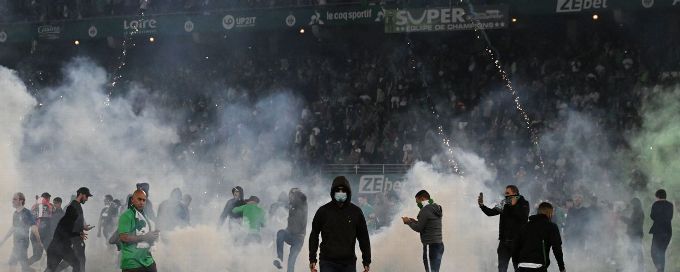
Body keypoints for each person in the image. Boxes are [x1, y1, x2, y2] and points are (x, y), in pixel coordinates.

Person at [309, 176, 371, 272]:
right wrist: (312, 258)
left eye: (343, 191)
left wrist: (366, 261)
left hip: (349, 262)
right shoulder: (323, 211)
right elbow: (314, 235)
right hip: (327, 261)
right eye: (338, 191)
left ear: (348, 193)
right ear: (333, 193)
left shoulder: (356, 212)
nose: (340, 193)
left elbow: (364, 238)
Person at [478, 185, 530, 272]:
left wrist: (513, 206)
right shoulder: (504, 203)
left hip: (518, 243)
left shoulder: (524, 203)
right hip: (504, 243)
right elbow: (491, 213)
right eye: (505, 193)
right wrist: (482, 205)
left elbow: (523, 217)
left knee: (518, 268)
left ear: (515, 193)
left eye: (508, 193)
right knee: (502, 268)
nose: (506, 195)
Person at [45, 187, 94, 272]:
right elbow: (65, 227)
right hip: (61, 245)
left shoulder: (75, 206)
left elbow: (69, 225)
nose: (87, 199)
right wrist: (77, 234)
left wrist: (82, 228)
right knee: (77, 264)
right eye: (86, 197)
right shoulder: (74, 207)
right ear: (81, 194)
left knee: (52, 269)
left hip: (58, 245)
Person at [513, 202, 566, 272]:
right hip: (539, 267)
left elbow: (515, 248)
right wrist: (561, 268)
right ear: (549, 213)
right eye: (552, 213)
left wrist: (516, 266)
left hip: (522, 266)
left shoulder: (525, 226)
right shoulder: (551, 227)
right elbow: (557, 248)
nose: (552, 215)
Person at [401, 190, 443, 272]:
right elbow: (428, 225)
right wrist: (414, 221)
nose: (417, 204)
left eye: (417, 201)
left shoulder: (425, 210)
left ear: (423, 198)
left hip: (429, 245)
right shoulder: (436, 207)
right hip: (439, 245)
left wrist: (408, 222)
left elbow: (419, 228)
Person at [118, 189, 160, 272]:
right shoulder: (126, 216)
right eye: (139, 199)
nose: (142, 202)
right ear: (132, 200)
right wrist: (145, 237)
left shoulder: (144, 215)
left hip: (147, 260)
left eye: (144, 200)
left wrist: (154, 235)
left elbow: (146, 234)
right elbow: (123, 238)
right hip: (132, 263)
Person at [0, 192, 43, 272]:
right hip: (16, 243)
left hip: (22, 243)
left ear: (21, 201)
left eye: (15, 199)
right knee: (24, 268)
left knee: (13, 263)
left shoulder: (27, 212)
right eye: (13, 199)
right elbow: (13, 228)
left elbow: (34, 227)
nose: (12, 201)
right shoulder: (15, 213)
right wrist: (3, 240)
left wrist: (39, 241)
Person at [273, 188, 307, 272]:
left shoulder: (303, 203)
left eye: (293, 195)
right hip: (290, 235)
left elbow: (302, 197)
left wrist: (295, 192)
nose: (291, 197)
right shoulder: (291, 207)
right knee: (280, 233)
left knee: (291, 262)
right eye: (290, 196)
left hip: (298, 239)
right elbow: (286, 204)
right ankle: (280, 259)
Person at [649, 189, 673, 272]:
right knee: (662, 252)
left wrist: (658, 218)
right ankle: (660, 270)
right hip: (668, 232)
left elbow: (652, 216)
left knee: (653, 252)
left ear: (658, 196)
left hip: (658, 231)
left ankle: (659, 269)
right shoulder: (670, 205)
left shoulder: (655, 204)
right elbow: (670, 217)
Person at [28, 192, 54, 265]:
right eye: (49, 198)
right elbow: (52, 212)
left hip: (34, 234)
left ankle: (24, 266)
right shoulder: (49, 206)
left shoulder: (34, 206)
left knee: (37, 256)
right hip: (43, 234)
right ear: (47, 198)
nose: (49, 200)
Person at [620, 197, 644, 272]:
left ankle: (638, 268)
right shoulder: (638, 211)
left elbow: (631, 222)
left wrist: (621, 217)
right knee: (634, 250)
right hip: (635, 234)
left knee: (635, 250)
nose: (632, 206)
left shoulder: (638, 212)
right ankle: (636, 268)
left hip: (636, 234)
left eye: (633, 204)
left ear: (635, 204)